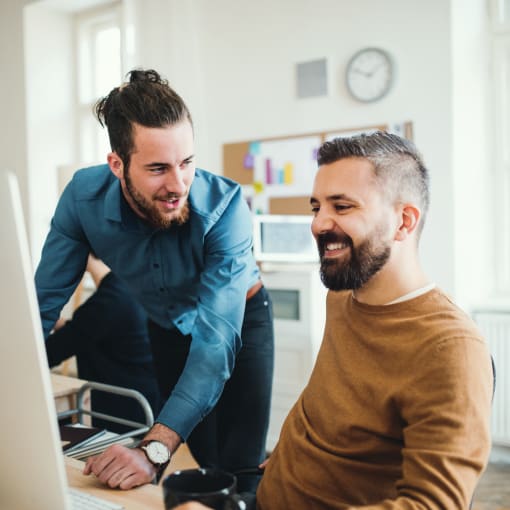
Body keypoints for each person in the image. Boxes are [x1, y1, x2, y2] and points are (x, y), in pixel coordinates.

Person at [174, 131, 494, 510]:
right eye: (316, 207)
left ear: (404, 222)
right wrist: (289, 458)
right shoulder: (342, 296)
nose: (318, 224)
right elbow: (330, 405)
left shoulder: (451, 349)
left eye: (342, 207)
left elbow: (432, 506)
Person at [35, 69, 274, 492]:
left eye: (187, 163)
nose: (178, 184)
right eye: (159, 168)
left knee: (239, 467)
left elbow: (214, 346)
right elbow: (41, 306)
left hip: (239, 321)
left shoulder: (226, 209)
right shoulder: (82, 200)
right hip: (165, 324)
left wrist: (153, 450)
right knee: (205, 459)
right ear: (117, 165)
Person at [46, 254, 162, 433]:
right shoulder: (131, 288)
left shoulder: (110, 300)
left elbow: (51, 352)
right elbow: (92, 332)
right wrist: (59, 323)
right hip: (146, 405)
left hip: (122, 416)